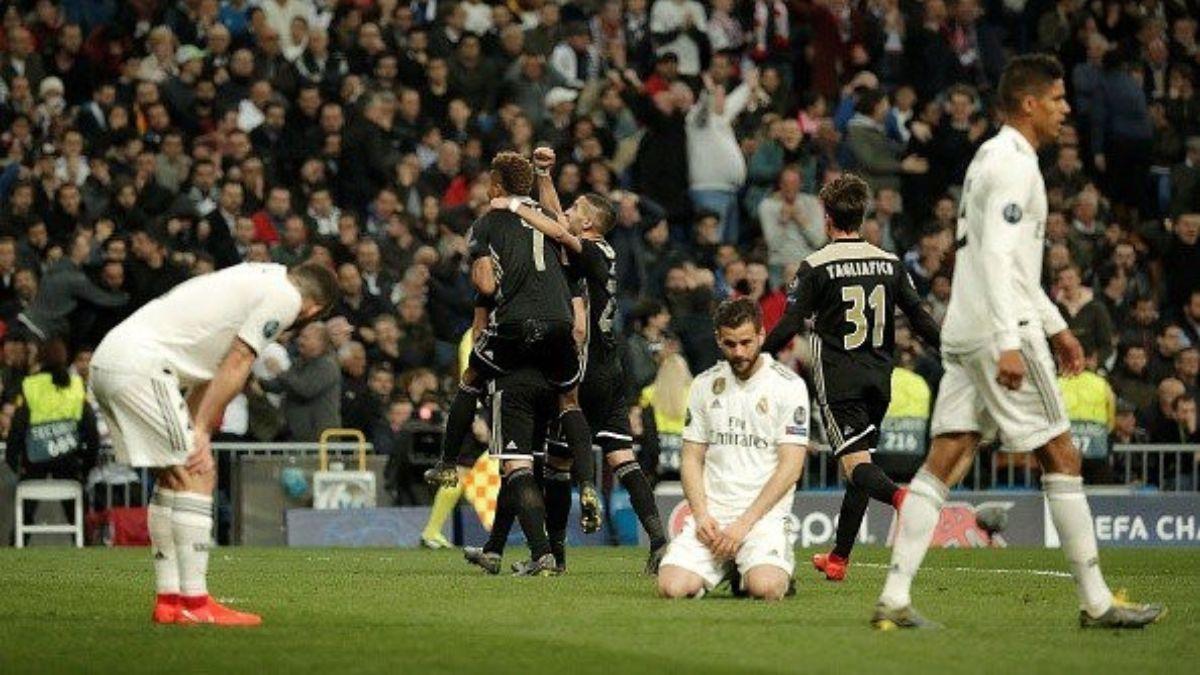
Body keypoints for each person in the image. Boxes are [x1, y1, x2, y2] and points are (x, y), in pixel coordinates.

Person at [872, 55, 1163, 630]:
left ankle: (895, 596)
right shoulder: (1014, 165)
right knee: (1062, 452)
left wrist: (1055, 324)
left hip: (967, 326)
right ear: (1029, 103)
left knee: (946, 457)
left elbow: (999, 260)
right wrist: (1012, 340)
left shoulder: (989, 157)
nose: (1064, 110)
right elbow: (1001, 259)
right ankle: (1098, 602)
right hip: (996, 331)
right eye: (1056, 100)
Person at [89, 262, 339, 626]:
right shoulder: (285, 297)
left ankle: (170, 601)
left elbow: (216, 367)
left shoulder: (256, 275)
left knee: (174, 478)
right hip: (142, 366)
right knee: (200, 475)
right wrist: (202, 432)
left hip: (110, 362)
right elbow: (238, 362)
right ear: (314, 310)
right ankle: (196, 602)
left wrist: (196, 426)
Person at [762, 173, 941, 581]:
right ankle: (839, 558)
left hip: (839, 378)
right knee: (860, 464)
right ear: (862, 215)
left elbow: (790, 322)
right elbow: (921, 320)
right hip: (881, 376)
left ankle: (904, 499)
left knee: (856, 464)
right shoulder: (889, 262)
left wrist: (757, 353)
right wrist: (951, 352)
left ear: (827, 219)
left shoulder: (816, 265)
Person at [501, 146, 669, 574]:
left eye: (578, 208)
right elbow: (560, 219)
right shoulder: (603, 252)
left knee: (557, 464)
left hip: (583, 369)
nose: (570, 210)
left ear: (589, 223)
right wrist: (543, 176)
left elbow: (556, 230)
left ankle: (555, 554)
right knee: (623, 457)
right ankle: (659, 539)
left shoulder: (588, 250)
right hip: (611, 369)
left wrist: (516, 206)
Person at [427, 151, 601, 534]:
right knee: (569, 402)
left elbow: (487, 285)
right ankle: (588, 482)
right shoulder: (549, 218)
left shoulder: (488, 223)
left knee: (470, 380)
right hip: (561, 324)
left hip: (516, 323)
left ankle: (446, 463)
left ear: (498, 185)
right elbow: (563, 240)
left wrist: (481, 280)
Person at [656, 298, 810, 601]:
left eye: (746, 342)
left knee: (765, 588)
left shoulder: (788, 386)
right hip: (712, 518)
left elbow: (791, 467)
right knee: (670, 588)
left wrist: (743, 525)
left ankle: (755, 569)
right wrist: (700, 515)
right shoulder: (704, 384)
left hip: (761, 518)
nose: (738, 352)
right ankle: (727, 566)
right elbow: (691, 457)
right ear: (718, 339)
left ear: (762, 336)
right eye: (730, 344)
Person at [5, 338, 100, 544]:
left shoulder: (30, 385)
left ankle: (14, 550)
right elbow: (92, 431)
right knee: (78, 518)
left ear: (40, 358)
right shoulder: (76, 386)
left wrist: (15, 464)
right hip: (69, 462)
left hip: (35, 462)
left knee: (25, 515)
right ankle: (87, 549)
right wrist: (86, 466)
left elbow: (17, 430)